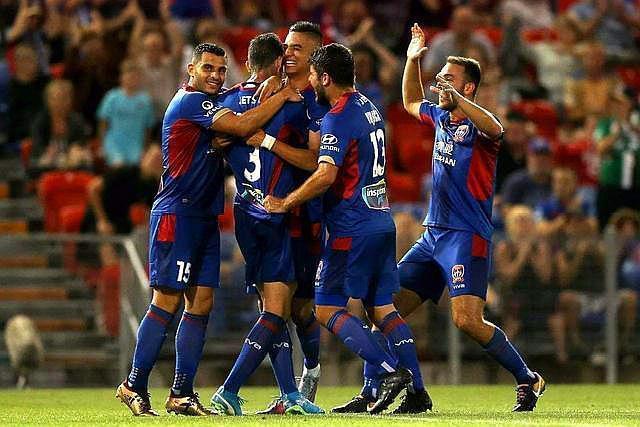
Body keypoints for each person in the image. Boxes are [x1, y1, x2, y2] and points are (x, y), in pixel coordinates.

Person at [346, 24, 545, 413]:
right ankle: (372, 392)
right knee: (381, 308)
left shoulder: (480, 128)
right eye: (440, 78)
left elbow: (497, 128)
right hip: (432, 235)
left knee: (467, 320)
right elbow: (409, 100)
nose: (440, 84)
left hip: (466, 236)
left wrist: (459, 100)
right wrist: (412, 59)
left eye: (448, 79)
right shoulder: (440, 117)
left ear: (467, 87)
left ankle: (528, 378)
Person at [115, 42, 301, 417]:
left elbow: (237, 122)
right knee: (166, 301)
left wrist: (264, 91)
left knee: (201, 303)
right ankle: (133, 384)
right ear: (191, 70)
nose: (216, 76)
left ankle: (181, 393)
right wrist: (283, 94)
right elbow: (244, 125)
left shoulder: (213, 106)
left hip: (204, 217)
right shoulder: (190, 102)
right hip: (177, 214)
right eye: (208, 68)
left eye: (221, 70)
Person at [264, 42, 425, 415]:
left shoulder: (338, 116)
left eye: (313, 76)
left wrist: (286, 202)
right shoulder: (369, 106)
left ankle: (390, 372)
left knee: (325, 308)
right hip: (380, 220)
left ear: (325, 77)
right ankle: (417, 392)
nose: (311, 83)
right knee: (382, 308)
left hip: (352, 227)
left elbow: (326, 174)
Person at [209, 32, 322, 416]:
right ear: (276, 64)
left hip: (244, 213)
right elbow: (315, 160)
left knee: (275, 307)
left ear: (247, 62)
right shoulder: (293, 105)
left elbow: (217, 141)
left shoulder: (226, 102)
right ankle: (229, 390)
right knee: (276, 311)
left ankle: (290, 393)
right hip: (277, 214)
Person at [250, 21, 330, 410]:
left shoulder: (317, 102)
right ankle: (287, 393)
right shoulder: (271, 90)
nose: (289, 52)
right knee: (272, 307)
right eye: (287, 46)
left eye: (298, 47)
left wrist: (268, 141)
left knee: (300, 309)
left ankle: (310, 370)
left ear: (315, 56)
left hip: (304, 215)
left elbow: (316, 161)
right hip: (265, 214)